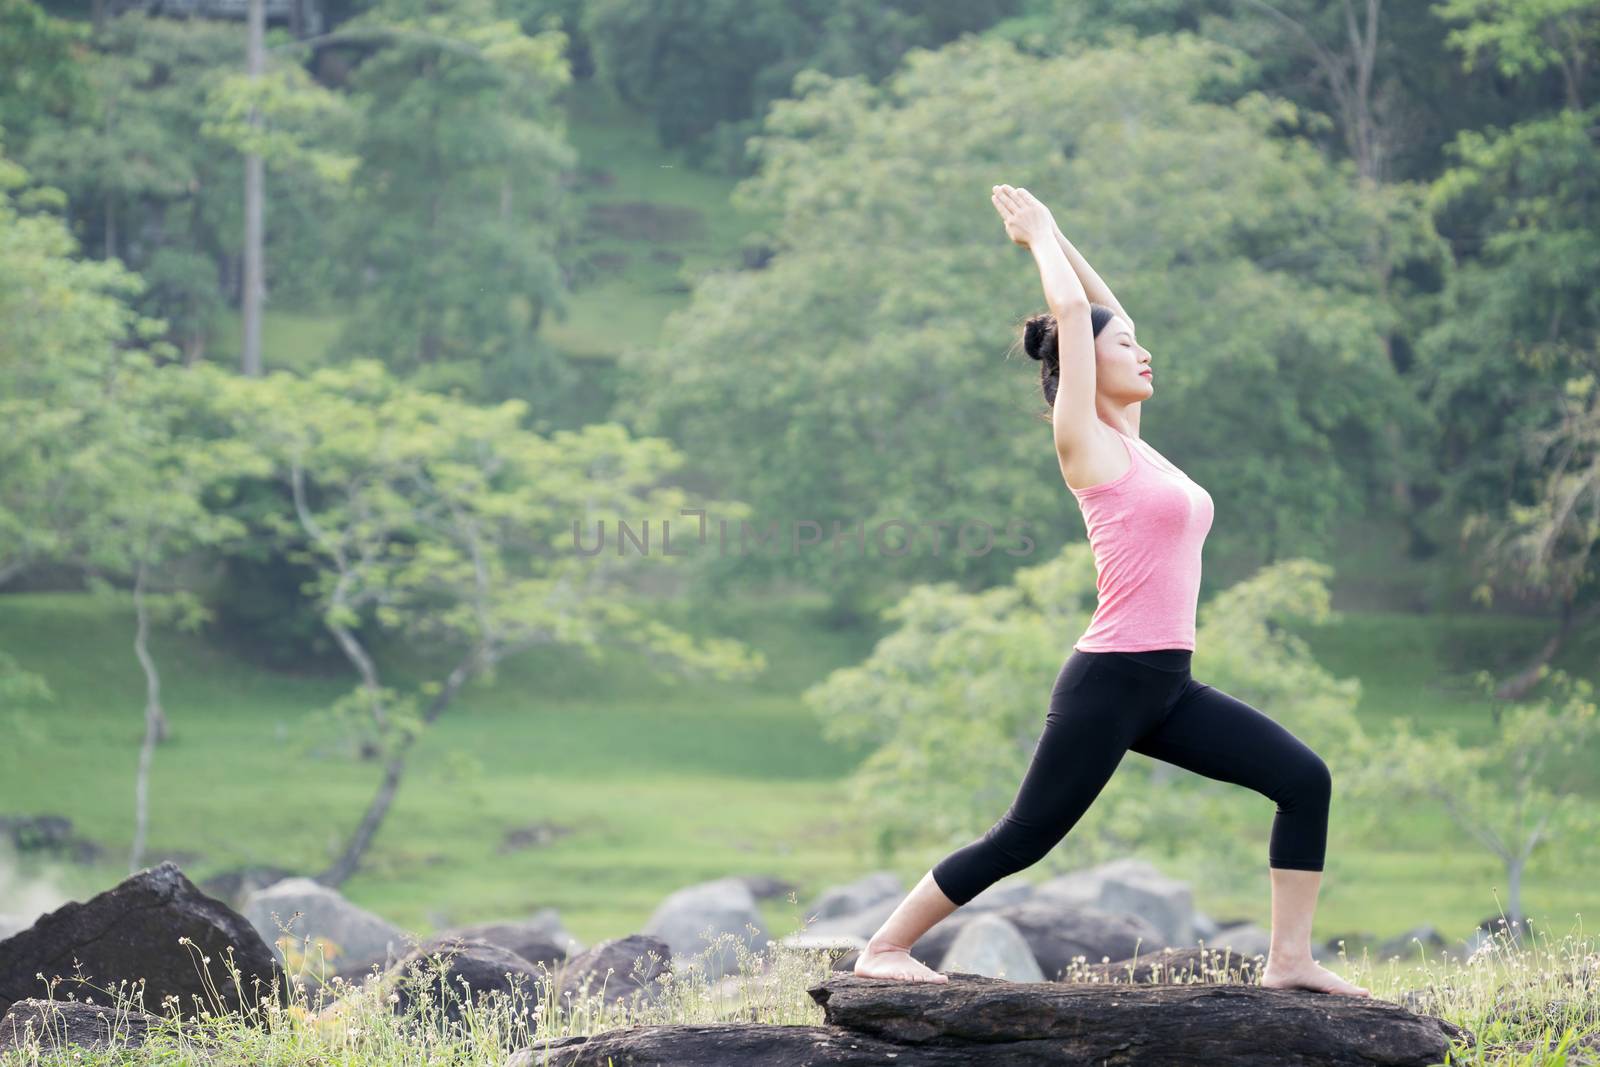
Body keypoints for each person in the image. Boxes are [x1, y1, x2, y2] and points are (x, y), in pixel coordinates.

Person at [851, 183, 1369, 997]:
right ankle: (883, 948)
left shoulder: (1138, 444)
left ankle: (1290, 960)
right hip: (1110, 679)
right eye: (1126, 347)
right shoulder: (1086, 443)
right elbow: (1074, 312)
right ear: (1088, 368)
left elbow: (1099, 305)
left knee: (1305, 780)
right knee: (1023, 836)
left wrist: (1065, 243)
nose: (1144, 351)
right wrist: (1041, 241)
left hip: (1170, 685)